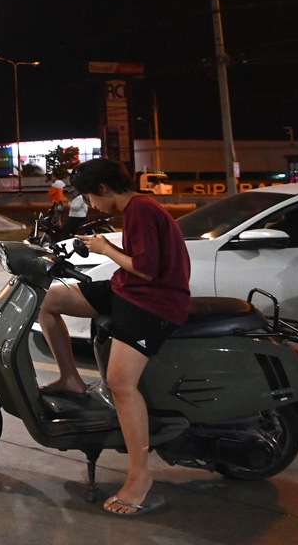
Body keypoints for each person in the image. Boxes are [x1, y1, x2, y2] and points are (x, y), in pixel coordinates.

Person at [37, 158, 190, 517]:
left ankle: (140, 476)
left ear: (103, 189)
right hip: (128, 290)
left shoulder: (141, 209)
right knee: (47, 301)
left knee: (121, 383)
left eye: (90, 197)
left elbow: (149, 271)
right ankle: (71, 380)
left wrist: (106, 248)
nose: (90, 205)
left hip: (155, 302)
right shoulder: (136, 208)